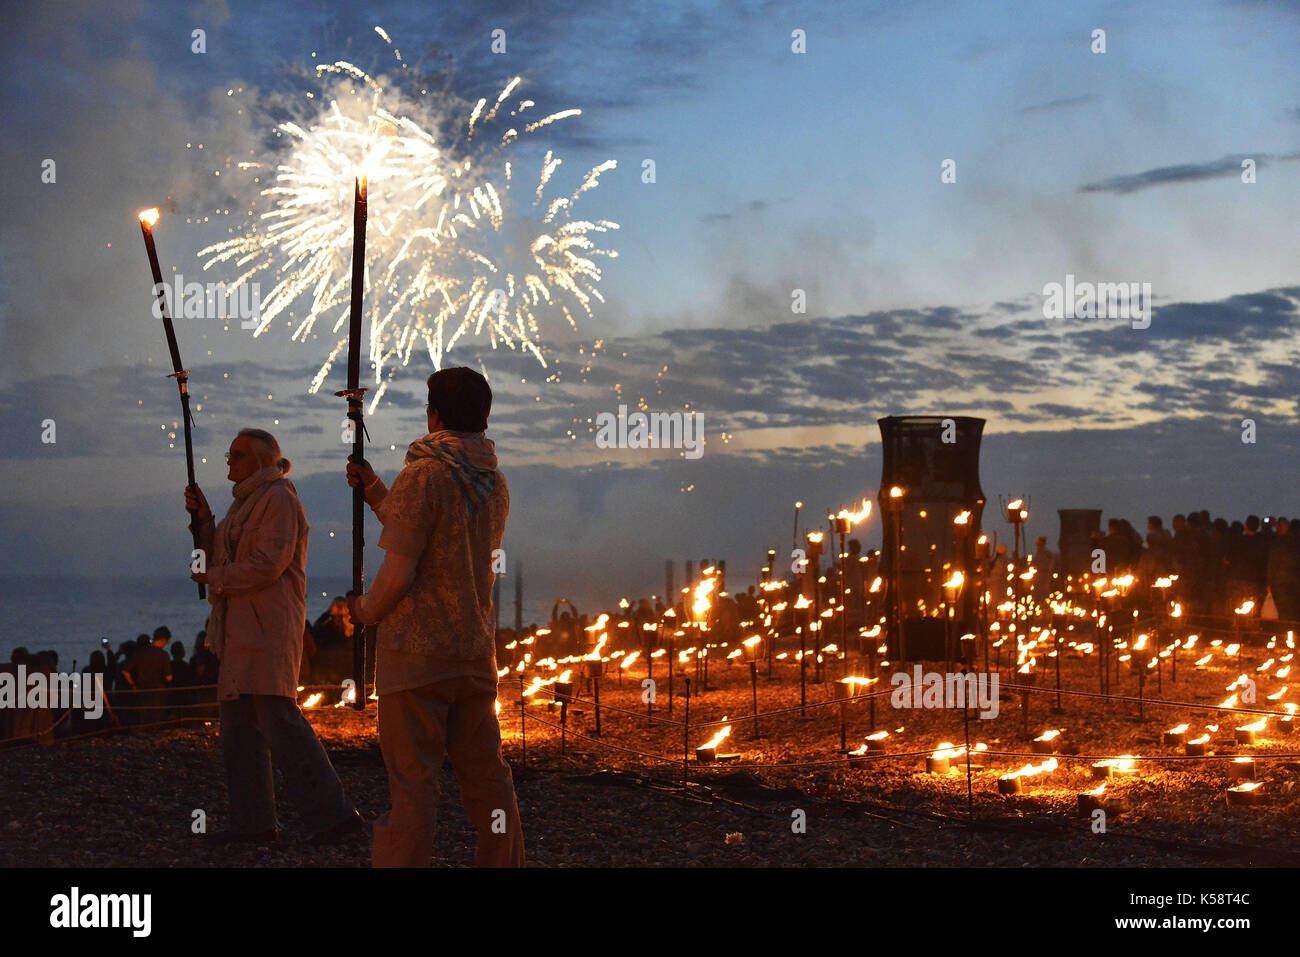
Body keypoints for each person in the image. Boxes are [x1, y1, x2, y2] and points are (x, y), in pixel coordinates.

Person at [346, 367, 524, 867]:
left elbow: (400, 568)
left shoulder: (424, 473)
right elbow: (437, 532)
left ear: (435, 414)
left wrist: (363, 610)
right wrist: (377, 490)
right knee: (488, 779)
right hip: (472, 653)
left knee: (413, 787)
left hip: (416, 656)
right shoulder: (493, 479)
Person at [186, 428, 363, 845]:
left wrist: (214, 577)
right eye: (228, 454)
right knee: (239, 732)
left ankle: (334, 816)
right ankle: (254, 823)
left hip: (268, 630)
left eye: (238, 454)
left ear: (263, 460)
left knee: (282, 723)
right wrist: (206, 520)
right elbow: (225, 550)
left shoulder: (280, 500)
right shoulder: (245, 504)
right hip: (239, 631)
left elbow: (268, 564)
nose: (228, 461)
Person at [121, 628, 173, 725]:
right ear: (163, 640)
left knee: (143, 720)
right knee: (156, 720)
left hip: (142, 692)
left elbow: (125, 671)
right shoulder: (163, 655)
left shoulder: (140, 652)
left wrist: (133, 684)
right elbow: (168, 677)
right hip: (158, 693)